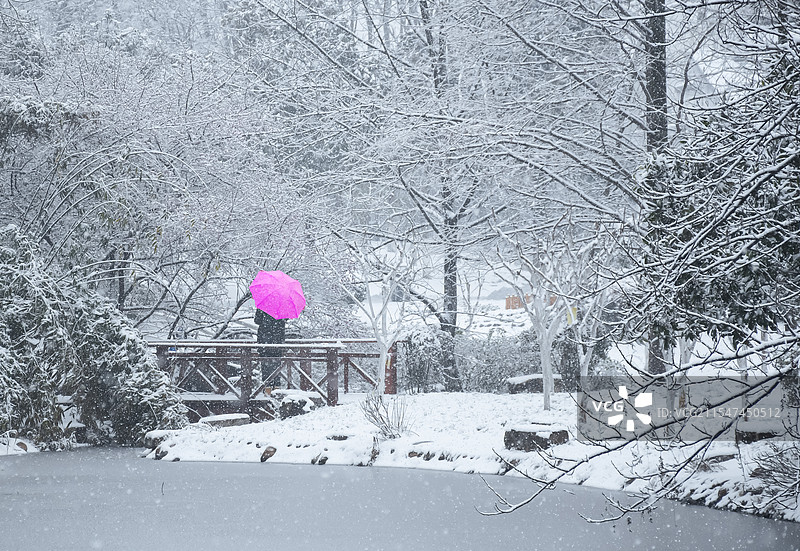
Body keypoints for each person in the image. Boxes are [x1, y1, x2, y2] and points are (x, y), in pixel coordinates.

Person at [255, 309, 286, 390]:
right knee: (277, 367)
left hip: (264, 342)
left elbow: (257, 321)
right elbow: (285, 319)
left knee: (265, 367)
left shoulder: (263, 307)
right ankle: (276, 388)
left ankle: (267, 389)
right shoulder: (282, 307)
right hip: (277, 342)